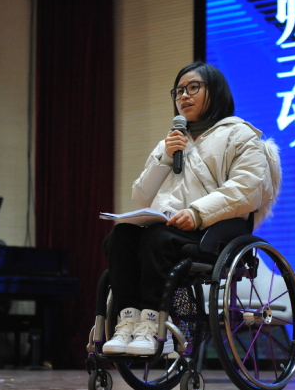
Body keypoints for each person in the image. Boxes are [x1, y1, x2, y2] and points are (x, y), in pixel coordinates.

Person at [102, 61, 280, 355]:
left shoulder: (241, 134)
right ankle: (127, 322)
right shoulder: (170, 141)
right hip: (167, 228)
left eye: (193, 87)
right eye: (178, 91)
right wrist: (165, 157)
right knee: (120, 236)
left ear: (216, 91)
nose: (183, 96)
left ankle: (153, 326)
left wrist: (197, 213)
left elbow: (246, 190)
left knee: (157, 240)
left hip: (212, 232)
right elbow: (142, 196)